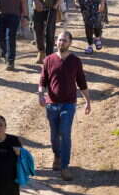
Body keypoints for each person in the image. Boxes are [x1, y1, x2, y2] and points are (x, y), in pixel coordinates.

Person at [38, 31, 92, 180]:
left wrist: (87, 101)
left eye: (65, 40)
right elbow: (43, 80)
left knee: (65, 133)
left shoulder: (75, 61)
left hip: (69, 104)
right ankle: (57, 155)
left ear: (70, 43)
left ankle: (65, 166)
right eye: (60, 40)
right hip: (52, 104)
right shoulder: (48, 60)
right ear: (56, 42)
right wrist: (41, 94)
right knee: (54, 136)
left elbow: (81, 82)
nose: (61, 42)